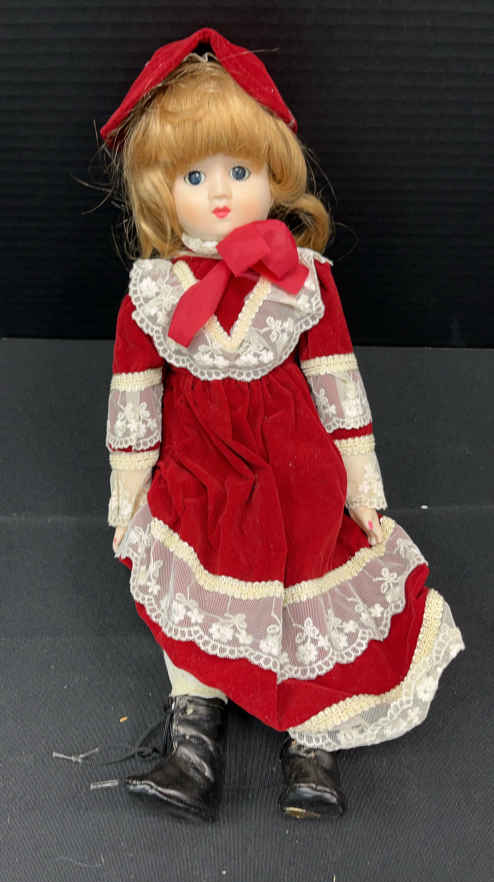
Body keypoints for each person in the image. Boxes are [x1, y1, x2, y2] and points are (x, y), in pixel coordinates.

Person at [100, 27, 464, 822]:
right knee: (193, 590)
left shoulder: (304, 282)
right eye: (195, 175)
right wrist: (129, 491)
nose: (220, 193)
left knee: (305, 587)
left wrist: (362, 488)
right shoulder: (154, 292)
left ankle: (313, 744)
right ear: (162, 186)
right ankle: (194, 745)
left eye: (241, 171)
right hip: (200, 472)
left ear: (275, 174)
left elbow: (338, 384)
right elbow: (135, 395)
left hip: (294, 467)